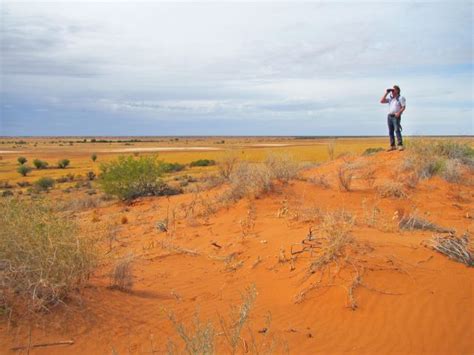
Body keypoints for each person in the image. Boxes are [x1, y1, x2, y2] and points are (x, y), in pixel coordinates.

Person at [380, 85, 406, 151]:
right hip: (389, 116)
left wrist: (399, 113)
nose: (392, 91)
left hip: (396, 116)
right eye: (391, 90)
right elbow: (382, 101)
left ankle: (400, 145)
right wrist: (387, 93)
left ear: (397, 91)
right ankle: (392, 146)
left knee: (397, 130)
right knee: (390, 131)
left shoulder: (400, 98)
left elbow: (403, 107)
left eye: (393, 90)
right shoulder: (390, 99)